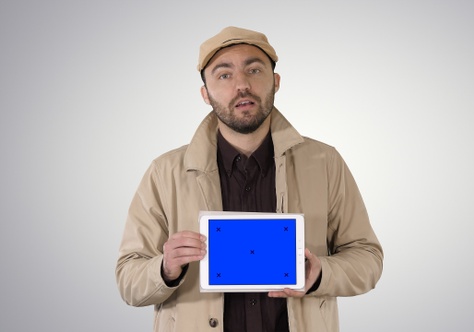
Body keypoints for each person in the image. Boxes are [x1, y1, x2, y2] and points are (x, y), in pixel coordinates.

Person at [116, 26, 383, 332]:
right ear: (205, 94)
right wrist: (164, 269)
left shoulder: (324, 163)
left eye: (254, 69)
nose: (242, 84)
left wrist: (322, 273)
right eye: (224, 75)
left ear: (276, 82)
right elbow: (128, 279)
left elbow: (368, 259)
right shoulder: (164, 172)